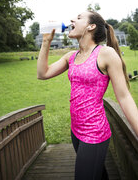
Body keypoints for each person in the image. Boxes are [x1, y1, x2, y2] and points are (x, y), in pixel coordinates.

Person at [37, 11, 138, 180]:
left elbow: (124, 96)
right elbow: (43, 73)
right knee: (98, 174)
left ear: (91, 27)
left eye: (78, 18)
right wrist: (46, 41)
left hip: (95, 133)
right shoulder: (71, 57)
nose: (71, 20)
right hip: (76, 131)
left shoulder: (106, 54)